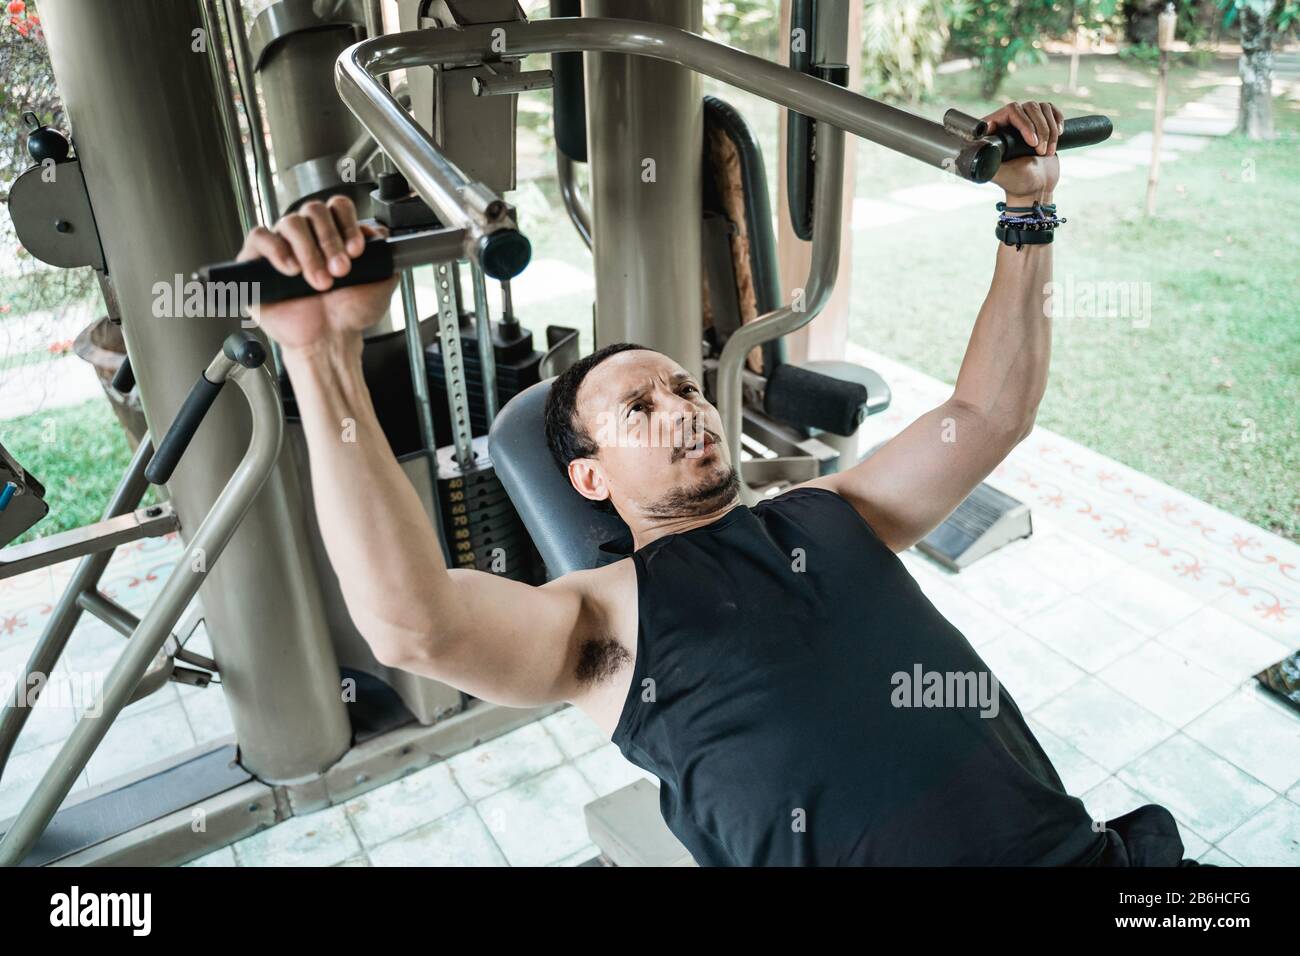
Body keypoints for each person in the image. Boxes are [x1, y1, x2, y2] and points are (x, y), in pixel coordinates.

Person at [238, 100, 1188, 866]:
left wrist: (1027, 209)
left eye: (686, 386)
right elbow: (416, 625)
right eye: (641, 409)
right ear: (587, 476)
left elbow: (988, 416)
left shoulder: (834, 512)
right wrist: (324, 358)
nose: (686, 407)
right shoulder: (598, 626)